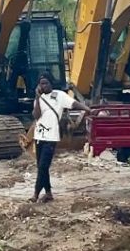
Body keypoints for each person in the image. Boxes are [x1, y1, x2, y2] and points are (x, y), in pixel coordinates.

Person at [30, 73, 91, 203]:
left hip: (51, 137)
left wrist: (87, 109)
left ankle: (35, 194)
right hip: (39, 136)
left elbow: (74, 104)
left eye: (46, 83)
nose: (44, 86)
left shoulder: (59, 95)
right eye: (41, 84)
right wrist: (37, 96)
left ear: (51, 83)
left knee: (43, 166)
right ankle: (48, 193)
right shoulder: (39, 99)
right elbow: (36, 115)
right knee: (41, 167)